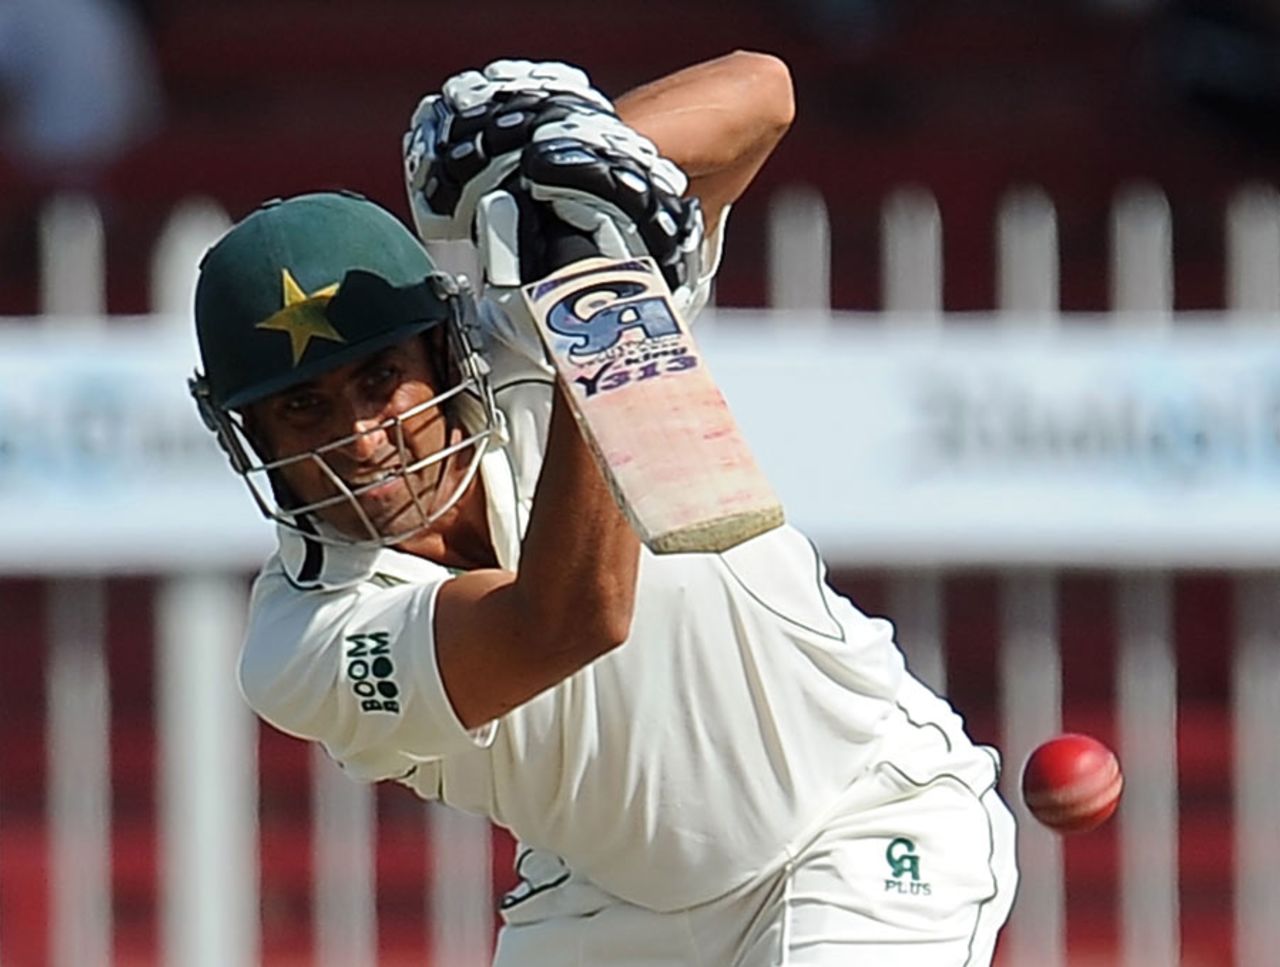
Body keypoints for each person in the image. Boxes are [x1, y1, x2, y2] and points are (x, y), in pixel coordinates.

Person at [191, 51, 1018, 965]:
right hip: (604, 900)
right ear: (252, 437)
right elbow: (570, 619)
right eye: (303, 405)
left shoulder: (518, 328)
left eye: (381, 379)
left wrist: (579, 164)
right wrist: (606, 303)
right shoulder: (300, 642)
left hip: (857, 813)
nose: (360, 436)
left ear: (440, 351)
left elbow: (763, 95)